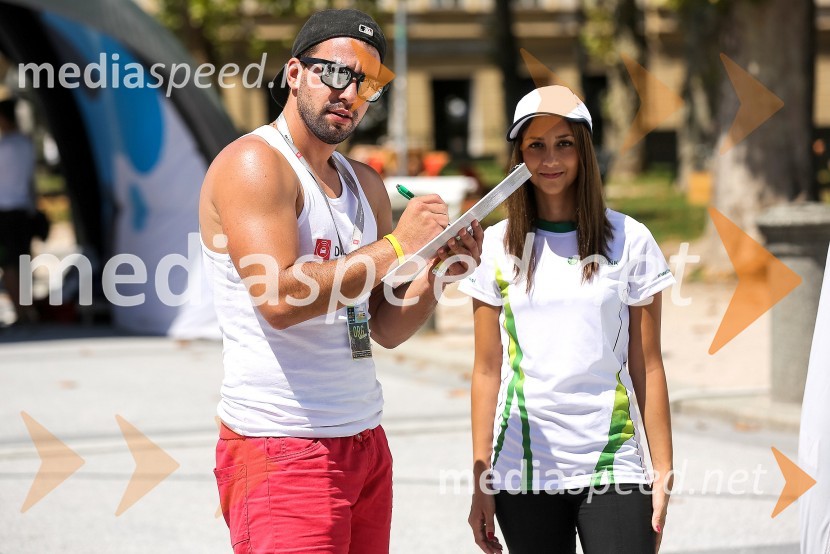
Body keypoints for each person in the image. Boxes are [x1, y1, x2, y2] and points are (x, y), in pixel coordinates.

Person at [198, 9, 484, 553]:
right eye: (335, 73)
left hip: (363, 441)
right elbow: (279, 299)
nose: (349, 92)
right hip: (280, 445)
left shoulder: (363, 184)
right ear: (294, 73)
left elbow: (383, 327)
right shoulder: (256, 164)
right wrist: (398, 245)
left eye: (367, 83)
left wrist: (440, 273)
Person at [460, 86, 675, 554]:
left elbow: (649, 366)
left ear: (584, 151)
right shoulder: (495, 246)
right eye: (535, 145)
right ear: (518, 156)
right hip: (523, 466)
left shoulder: (630, 239)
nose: (550, 158)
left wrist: (663, 471)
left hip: (614, 463)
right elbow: (484, 370)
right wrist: (481, 479)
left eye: (564, 143)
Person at [0, 97, 37, 325]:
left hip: (4, 211)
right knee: (23, 261)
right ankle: (28, 309)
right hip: (23, 210)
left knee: (9, 264)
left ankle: (21, 313)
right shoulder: (27, 144)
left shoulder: (4, 147)